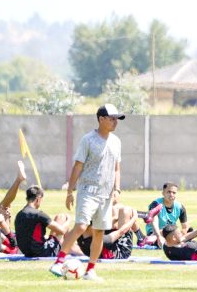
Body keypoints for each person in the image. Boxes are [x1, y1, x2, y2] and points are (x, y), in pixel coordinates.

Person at [48, 103, 124, 281]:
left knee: (98, 232)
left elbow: (117, 168)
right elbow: (78, 165)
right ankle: (58, 262)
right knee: (81, 226)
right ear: (101, 119)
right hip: (88, 191)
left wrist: (117, 189)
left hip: (106, 195)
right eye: (112, 119)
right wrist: (70, 191)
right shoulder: (88, 139)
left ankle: (90, 270)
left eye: (117, 119)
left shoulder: (116, 141)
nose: (115, 122)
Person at [15, 185, 79, 257]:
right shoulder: (38, 214)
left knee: (58, 218)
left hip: (27, 252)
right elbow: (62, 231)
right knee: (62, 217)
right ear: (38, 199)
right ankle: (70, 247)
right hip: (42, 252)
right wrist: (69, 220)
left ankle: (67, 245)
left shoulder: (19, 214)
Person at [76, 195, 137, 260]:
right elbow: (121, 232)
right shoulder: (100, 240)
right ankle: (140, 236)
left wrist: (116, 218)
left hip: (107, 247)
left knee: (115, 210)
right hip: (120, 252)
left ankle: (140, 236)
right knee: (126, 211)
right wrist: (134, 218)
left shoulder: (82, 233)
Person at [142, 183, 189, 248]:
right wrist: (158, 237)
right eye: (169, 192)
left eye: (174, 193)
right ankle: (151, 240)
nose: (171, 194)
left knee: (190, 231)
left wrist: (181, 235)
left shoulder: (180, 207)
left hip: (172, 233)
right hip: (155, 233)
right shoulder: (156, 204)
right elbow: (154, 222)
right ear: (163, 193)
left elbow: (185, 227)